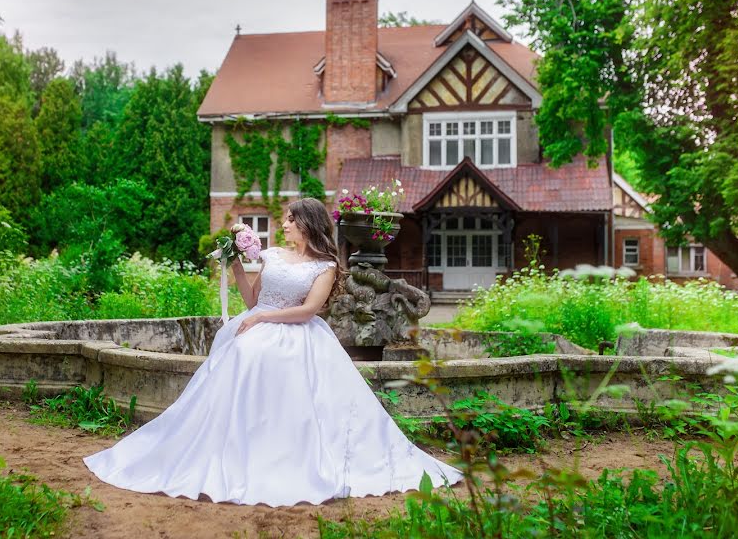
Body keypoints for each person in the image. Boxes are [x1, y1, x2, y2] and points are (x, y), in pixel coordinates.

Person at [83, 198, 462, 506]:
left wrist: (264, 318)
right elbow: (252, 299)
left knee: (274, 366)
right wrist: (235, 266)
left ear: (308, 225)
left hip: (298, 332)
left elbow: (309, 310)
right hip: (258, 323)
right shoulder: (275, 255)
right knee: (245, 357)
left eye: (290, 220)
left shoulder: (326, 266)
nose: (284, 225)